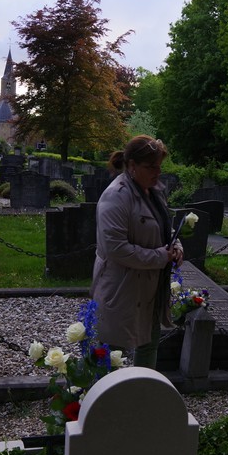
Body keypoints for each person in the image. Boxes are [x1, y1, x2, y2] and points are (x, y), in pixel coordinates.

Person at [91, 135, 184, 368]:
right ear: (132, 165)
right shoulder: (116, 196)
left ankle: (144, 388)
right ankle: (105, 392)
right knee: (112, 352)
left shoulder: (153, 191)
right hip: (122, 288)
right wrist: (161, 257)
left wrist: (176, 246)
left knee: (148, 344)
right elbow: (116, 248)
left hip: (150, 288)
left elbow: (164, 227)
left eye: (159, 166)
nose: (158, 172)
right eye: (151, 167)